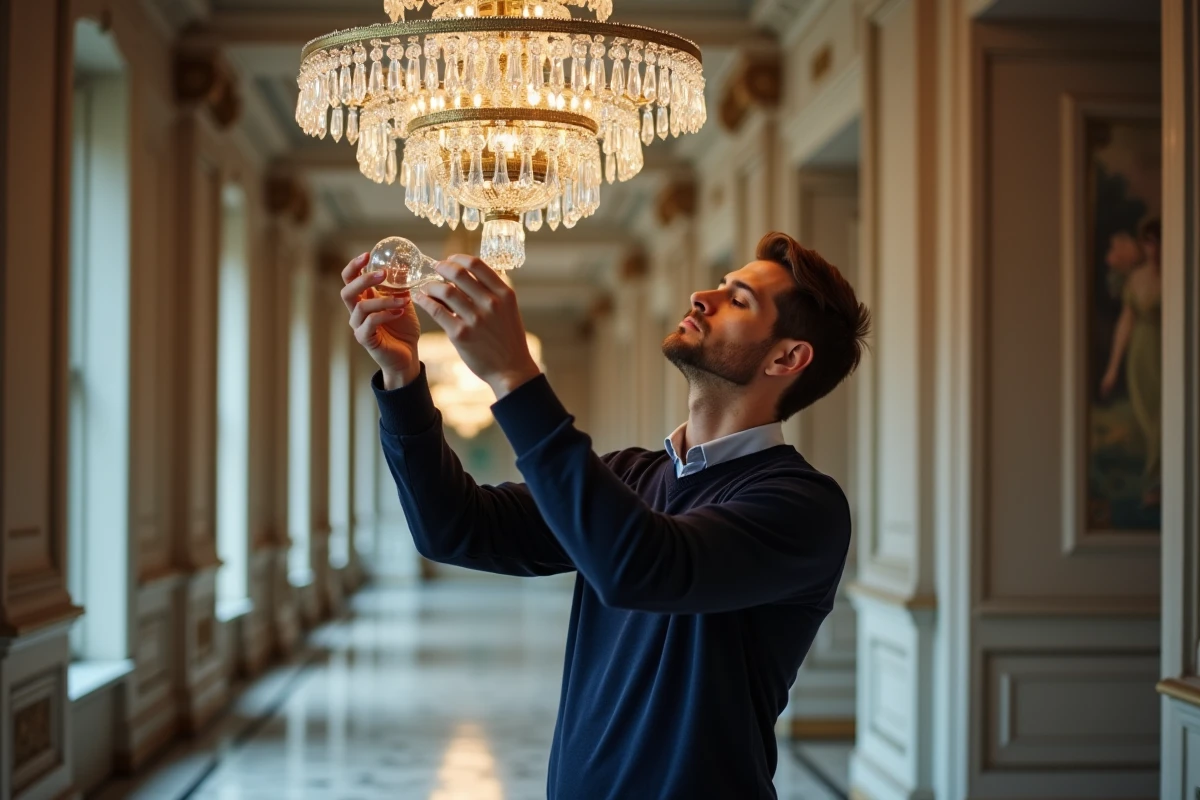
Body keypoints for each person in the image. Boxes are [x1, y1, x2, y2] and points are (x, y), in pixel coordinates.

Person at [339, 230, 870, 799]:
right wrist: (403, 380)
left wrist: (515, 377)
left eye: (737, 300)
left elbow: (641, 566)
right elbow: (454, 529)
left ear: (787, 356)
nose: (701, 297)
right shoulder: (631, 474)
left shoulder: (803, 505)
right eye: (719, 286)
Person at [1099, 217, 1162, 507]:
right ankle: (1156, 483)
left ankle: (1156, 483)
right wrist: (1112, 368)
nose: (1154, 248)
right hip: (1140, 355)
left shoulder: (1177, 275)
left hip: (1166, 355)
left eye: (1158, 241)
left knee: (1161, 421)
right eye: (1149, 242)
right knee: (1146, 418)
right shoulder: (1137, 279)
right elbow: (1125, 323)